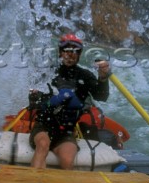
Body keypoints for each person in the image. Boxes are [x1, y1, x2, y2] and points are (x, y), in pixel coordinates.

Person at [29, 33, 110, 170]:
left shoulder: (85, 76)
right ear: (60, 52)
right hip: (43, 126)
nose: (70, 54)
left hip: (66, 131)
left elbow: (101, 97)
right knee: (42, 145)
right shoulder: (48, 72)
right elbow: (33, 102)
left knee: (67, 160)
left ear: (79, 54)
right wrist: (40, 98)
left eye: (75, 51)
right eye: (66, 50)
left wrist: (103, 78)